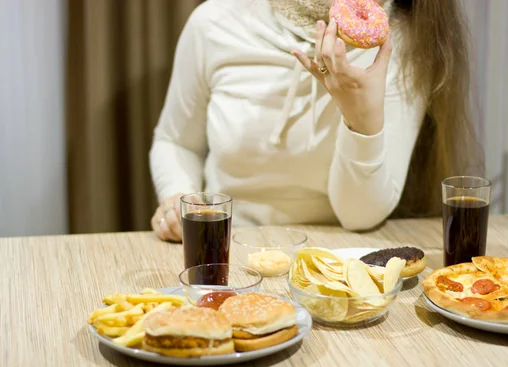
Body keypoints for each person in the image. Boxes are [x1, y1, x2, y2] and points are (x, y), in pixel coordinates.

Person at [150, 0, 482, 242]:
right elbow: (176, 141)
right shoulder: (215, 22)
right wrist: (179, 199)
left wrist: (360, 119)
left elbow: (360, 216)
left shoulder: (402, 41)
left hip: (343, 260)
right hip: (226, 245)